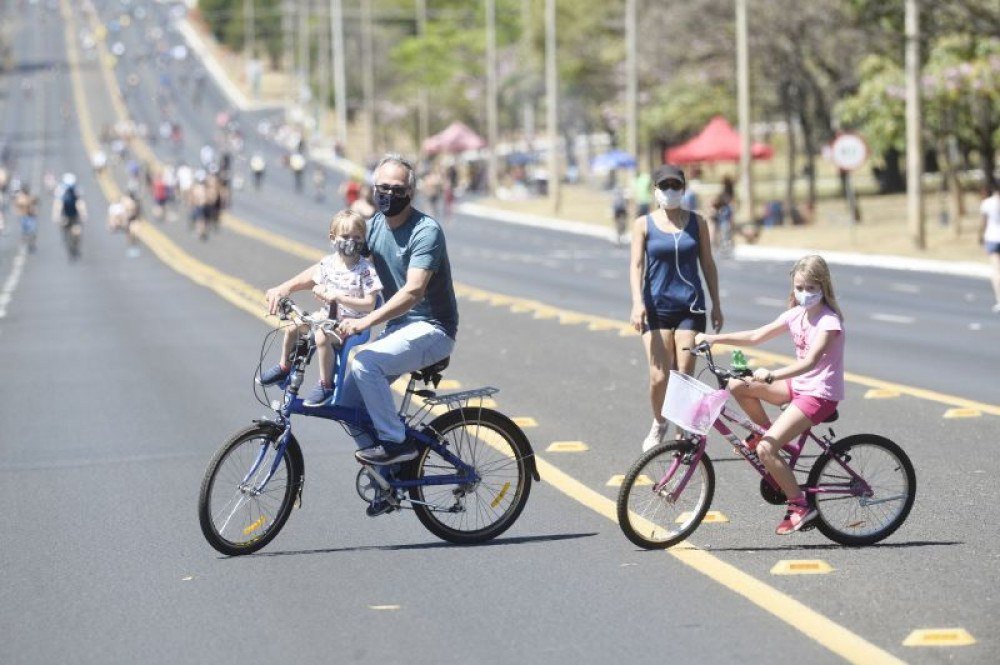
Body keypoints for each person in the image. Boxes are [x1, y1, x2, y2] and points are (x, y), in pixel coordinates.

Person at [295, 154, 457, 484]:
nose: (389, 194)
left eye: (397, 188)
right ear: (373, 188)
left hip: (433, 328)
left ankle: (396, 443)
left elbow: (413, 292)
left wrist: (365, 323)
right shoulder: (376, 227)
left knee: (364, 361)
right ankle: (390, 479)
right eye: (382, 187)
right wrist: (284, 287)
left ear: (411, 192)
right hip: (399, 327)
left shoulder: (426, 231)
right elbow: (335, 265)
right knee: (348, 405)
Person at [695, 254, 845, 535]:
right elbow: (756, 336)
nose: (804, 293)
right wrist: (713, 339)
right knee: (737, 385)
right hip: (798, 386)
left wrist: (773, 374)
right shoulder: (795, 315)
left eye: (811, 288)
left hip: (820, 394)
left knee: (766, 450)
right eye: (800, 287)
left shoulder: (829, 322)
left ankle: (801, 505)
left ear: (824, 287)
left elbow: (811, 362)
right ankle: (764, 433)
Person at [630, 164, 723, 451]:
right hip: (656, 307)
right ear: (655, 190)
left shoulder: (698, 222)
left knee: (682, 371)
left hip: (690, 307)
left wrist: (716, 304)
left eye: (676, 185)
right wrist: (637, 303)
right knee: (659, 375)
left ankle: (683, 430)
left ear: (683, 188)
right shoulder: (643, 224)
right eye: (665, 186)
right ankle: (659, 423)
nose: (670, 191)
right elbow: (636, 265)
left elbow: (708, 263)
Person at [261, 210, 383, 406]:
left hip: (351, 323)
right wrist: (319, 289)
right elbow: (316, 282)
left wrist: (339, 297)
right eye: (344, 236)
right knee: (294, 325)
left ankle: (326, 385)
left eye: (357, 237)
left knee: (321, 335)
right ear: (333, 238)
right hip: (327, 317)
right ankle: (284, 368)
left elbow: (370, 304)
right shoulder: (328, 263)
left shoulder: (366, 270)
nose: (350, 241)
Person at [52, 173, 87, 261]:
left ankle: (75, 246)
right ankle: (69, 248)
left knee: (77, 233)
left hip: (75, 215)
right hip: (65, 215)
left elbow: (80, 202)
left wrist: (83, 214)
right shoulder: (60, 190)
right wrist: (56, 215)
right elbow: (58, 204)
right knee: (66, 232)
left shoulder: (76, 189)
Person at [979, 182, 1000, 313]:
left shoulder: (987, 203)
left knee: (996, 270)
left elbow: (983, 222)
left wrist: (980, 235)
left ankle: (999, 298)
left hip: (992, 237)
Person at [13, 183, 38, 253]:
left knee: (32, 231)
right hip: (24, 217)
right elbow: (18, 205)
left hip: (31, 217)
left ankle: (31, 245)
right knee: (25, 233)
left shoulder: (30, 196)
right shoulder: (20, 198)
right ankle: (24, 246)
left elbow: (36, 201)